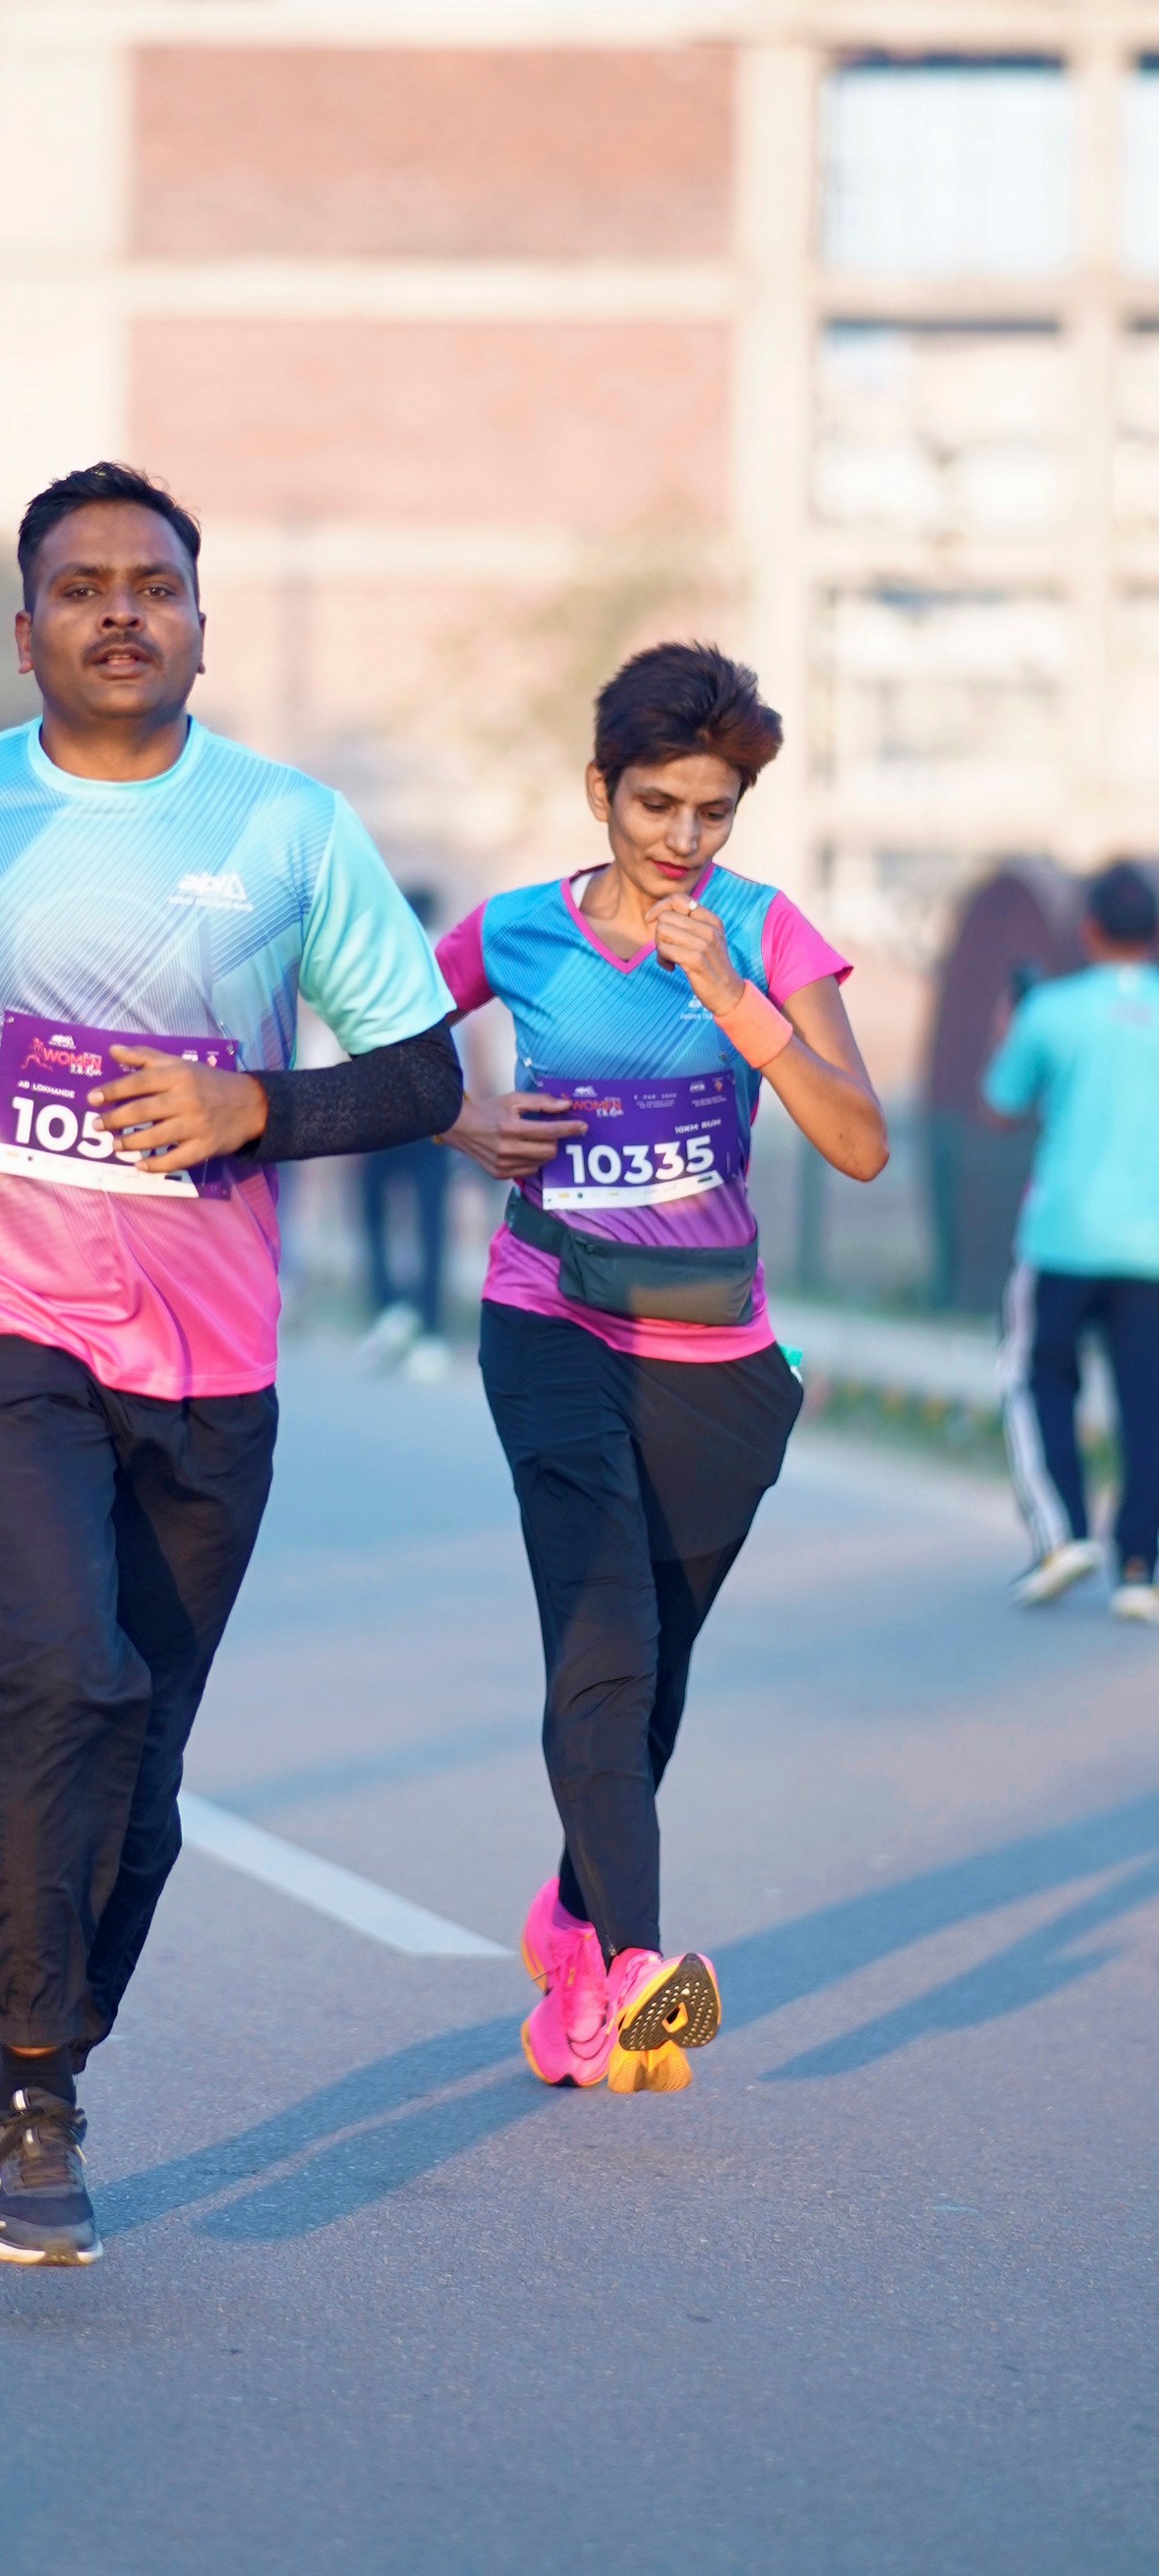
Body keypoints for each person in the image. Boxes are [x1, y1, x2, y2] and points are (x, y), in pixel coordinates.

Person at [0, 461, 460, 2266]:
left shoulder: (290, 828)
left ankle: (49, 2025)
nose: (121, 610)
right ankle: (33, 2095)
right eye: (83, 586)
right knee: (61, 1677)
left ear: (198, 624)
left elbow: (420, 1073)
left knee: (144, 1764)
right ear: (25, 631)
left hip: (207, 1352)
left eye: (154, 585)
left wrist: (256, 1106)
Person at [438, 642, 886, 2098]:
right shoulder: (514, 929)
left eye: (714, 810)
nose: (684, 838)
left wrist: (738, 996)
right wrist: (463, 1119)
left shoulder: (767, 931)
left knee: (655, 1680)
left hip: (718, 1356)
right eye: (656, 805)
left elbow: (860, 1144)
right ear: (601, 791)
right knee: (605, 1637)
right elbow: (386, 1036)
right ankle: (636, 1968)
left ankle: (572, 1935)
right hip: (551, 1318)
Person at [984, 860, 1159, 1624]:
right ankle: (1139, 1567)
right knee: (1147, 1402)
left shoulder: (1051, 1011)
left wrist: (1008, 1028)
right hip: (1151, 1248)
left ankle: (1064, 1535)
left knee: (1038, 1377)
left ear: (1089, 929)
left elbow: (999, 1107)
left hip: (1062, 1238)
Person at [356, 885, 453, 1381]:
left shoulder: (382, 956)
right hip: (438, 1110)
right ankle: (429, 1327)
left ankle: (390, 1308)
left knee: (375, 1212)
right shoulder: (447, 960)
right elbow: (474, 1038)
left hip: (384, 1105)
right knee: (432, 1221)